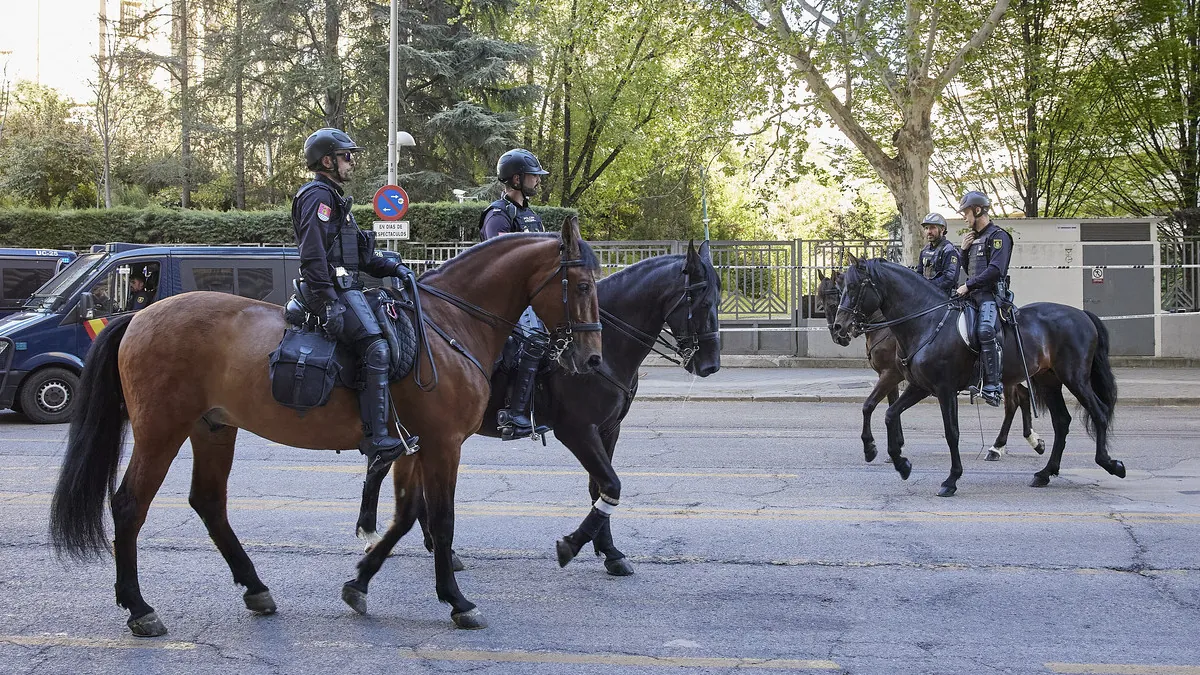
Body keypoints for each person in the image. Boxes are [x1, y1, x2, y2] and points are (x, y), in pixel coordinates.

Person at [292, 127, 413, 470]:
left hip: (344, 287)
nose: (352, 163)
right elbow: (312, 256)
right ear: (327, 160)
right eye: (347, 157)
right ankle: (376, 437)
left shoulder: (336, 198)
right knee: (376, 345)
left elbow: (363, 255)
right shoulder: (317, 196)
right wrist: (328, 300)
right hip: (325, 291)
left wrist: (396, 267)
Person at [479, 148, 551, 440]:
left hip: (531, 295)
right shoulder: (497, 215)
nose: (538, 182)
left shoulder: (530, 215)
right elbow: (502, 263)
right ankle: (515, 413)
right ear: (517, 179)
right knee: (533, 340)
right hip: (504, 299)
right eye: (534, 177)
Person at [954, 191, 1013, 407]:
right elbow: (967, 268)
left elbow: (995, 270)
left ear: (977, 210)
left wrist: (968, 285)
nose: (964, 218)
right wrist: (963, 250)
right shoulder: (973, 239)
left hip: (990, 296)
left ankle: (993, 387)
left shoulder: (999, 237)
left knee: (985, 331)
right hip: (971, 296)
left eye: (966, 213)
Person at [912, 213, 960, 295]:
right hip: (926, 296)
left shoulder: (949, 250)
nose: (929, 232)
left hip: (944, 298)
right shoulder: (924, 250)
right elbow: (919, 274)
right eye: (926, 228)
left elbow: (949, 279)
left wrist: (926, 286)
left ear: (942, 229)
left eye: (932, 228)